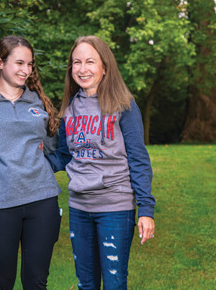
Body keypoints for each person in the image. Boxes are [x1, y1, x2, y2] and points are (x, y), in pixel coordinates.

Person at [46, 35, 156, 290]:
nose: (82, 69)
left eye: (90, 62)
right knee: (86, 284)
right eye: (76, 62)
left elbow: (139, 160)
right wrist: (27, 158)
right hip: (79, 207)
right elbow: (64, 155)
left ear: (105, 67)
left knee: (115, 284)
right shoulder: (71, 107)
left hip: (115, 207)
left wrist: (146, 209)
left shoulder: (123, 106)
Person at [0, 35, 64, 290]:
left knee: (36, 283)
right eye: (19, 63)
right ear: (0, 63)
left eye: (29, 64)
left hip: (43, 200)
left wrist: (48, 164)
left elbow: (58, 145)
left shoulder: (38, 101)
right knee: (1, 283)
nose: (25, 70)